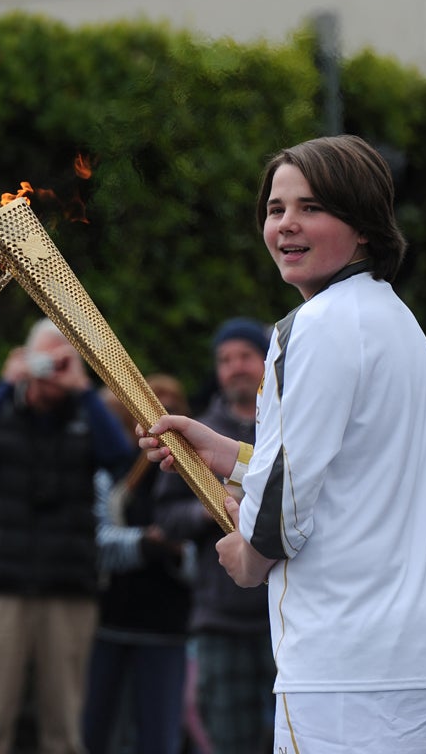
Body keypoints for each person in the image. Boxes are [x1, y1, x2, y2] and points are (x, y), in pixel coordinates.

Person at [138, 134, 426, 752]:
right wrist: (230, 456)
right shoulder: (400, 323)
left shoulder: (310, 327)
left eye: (311, 208)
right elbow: (346, 476)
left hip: (346, 665)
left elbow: (283, 507)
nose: (287, 225)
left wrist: (249, 556)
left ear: (364, 225)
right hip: (424, 660)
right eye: (275, 209)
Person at [0, 317, 134, 754]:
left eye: (61, 361)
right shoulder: (0, 410)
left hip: (67, 589)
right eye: (43, 360)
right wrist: (3, 386)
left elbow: (121, 463)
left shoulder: (85, 414)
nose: (51, 370)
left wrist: (84, 390)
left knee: (64, 726)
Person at [154, 317, 275, 754]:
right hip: (220, 615)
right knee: (228, 739)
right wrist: (215, 509)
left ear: (266, 360)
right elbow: (166, 515)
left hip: (283, 609)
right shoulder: (195, 431)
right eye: (225, 360)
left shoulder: (286, 425)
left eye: (244, 355)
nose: (235, 367)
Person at [82, 377, 197, 754]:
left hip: (167, 629)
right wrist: (148, 544)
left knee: (159, 739)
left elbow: (212, 558)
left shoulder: (195, 481)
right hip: (109, 623)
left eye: (168, 412)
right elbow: (95, 544)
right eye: (150, 409)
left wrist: (178, 552)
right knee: (95, 734)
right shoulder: (112, 472)